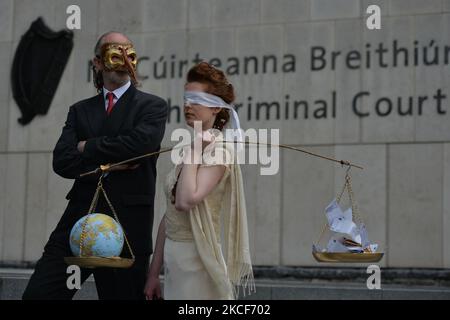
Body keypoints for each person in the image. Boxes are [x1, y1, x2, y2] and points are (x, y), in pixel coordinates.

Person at [22, 31, 168, 300]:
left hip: (128, 226)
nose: (124, 58)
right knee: (39, 294)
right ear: (98, 62)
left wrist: (86, 147)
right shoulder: (80, 110)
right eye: (115, 52)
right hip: (80, 220)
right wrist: (109, 163)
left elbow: (139, 146)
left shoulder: (152, 106)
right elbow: (62, 160)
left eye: (129, 52)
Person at [144, 62, 254, 300]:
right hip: (175, 263)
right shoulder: (191, 149)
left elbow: (186, 201)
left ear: (216, 108)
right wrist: (154, 274)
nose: (187, 105)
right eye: (186, 98)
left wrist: (195, 150)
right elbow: (171, 214)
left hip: (199, 261)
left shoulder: (220, 152)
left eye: (196, 99)